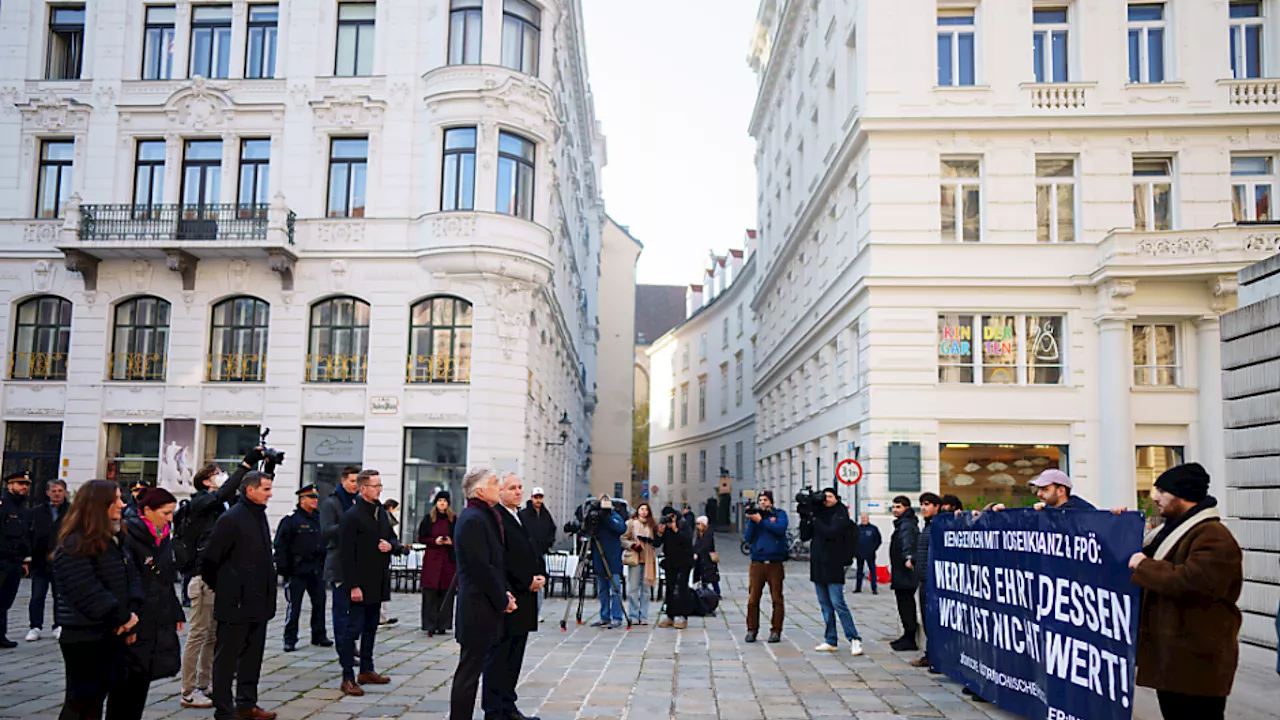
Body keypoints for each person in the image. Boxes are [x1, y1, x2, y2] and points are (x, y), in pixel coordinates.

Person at [1128, 463, 1242, 720]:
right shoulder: (1173, 531)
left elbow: (1193, 582)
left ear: (1183, 495)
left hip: (1196, 663)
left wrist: (1145, 566)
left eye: (1162, 492)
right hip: (1176, 659)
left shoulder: (1213, 536)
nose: (1154, 497)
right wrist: (1117, 524)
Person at [51, 479, 140, 719]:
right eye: (117, 500)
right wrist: (121, 617)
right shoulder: (74, 544)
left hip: (111, 632)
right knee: (82, 700)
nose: (123, 504)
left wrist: (131, 613)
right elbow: (86, 592)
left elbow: (129, 578)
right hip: (84, 634)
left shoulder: (116, 539)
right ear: (99, 505)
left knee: (98, 698)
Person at [178, 456, 253, 710]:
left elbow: (235, 497)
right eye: (218, 473)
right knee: (198, 634)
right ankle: (188, 690)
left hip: (218, 577)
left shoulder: (219, 505)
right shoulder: (201, 501)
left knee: (212, 635)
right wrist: (245, 465)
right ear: (207, 480)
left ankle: (204, 683)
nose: (222, 475)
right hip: (201, 577)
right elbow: (223, 494)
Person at [201, 471, 278, 720]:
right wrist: (227, 588)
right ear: (250, 490)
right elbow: (210, 560)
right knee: (227, 659)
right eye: (265, 489)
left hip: (259, 601)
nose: (270, 494)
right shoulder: (231, 519)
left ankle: (247, 703)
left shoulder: (259, 515)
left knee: (252, 658)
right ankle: (224, 709)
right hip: (235, 603)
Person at [449, 466, 517, 720]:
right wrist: (502, 600)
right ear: (479, 490)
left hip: (486, 605)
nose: (499, 487)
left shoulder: (485, 516)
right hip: (477, 607)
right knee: (468, 672)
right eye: (494, 483)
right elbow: (481, 568)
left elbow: (495, 564)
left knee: (474, 669)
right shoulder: (472, 519)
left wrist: (505, 594)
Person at [113, 488, 185, 719]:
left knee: (144, 674)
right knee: (126, 680)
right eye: (165, 513)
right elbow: (127, 581)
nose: (170, 518)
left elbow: (165, 577)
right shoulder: (130, 535)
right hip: (136, 614)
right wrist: (128, 619)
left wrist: (175, 611)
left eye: (172, 513)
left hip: (157, 613)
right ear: (147, 511)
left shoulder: (163, 536)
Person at [336, 469, 407, 696]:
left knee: (371, 628)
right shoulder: (352, 516)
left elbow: (392, 539)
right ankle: (347, 676)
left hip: (378, 580)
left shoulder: (381, 513)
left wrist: (391, 546)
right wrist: (353, 585)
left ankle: (366, 669)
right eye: (375, 486)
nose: (380, 489)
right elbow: (346, 554)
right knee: (353, 630)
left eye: (380, 485)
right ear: (363, 488)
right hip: (360, 582)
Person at [487, 473, 544, 720]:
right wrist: (525, 580)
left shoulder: (518, 516)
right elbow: (503, 559)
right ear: (500, 491)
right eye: (512, 488)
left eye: (520, 487)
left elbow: (531, 548)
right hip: (511, 596)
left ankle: (508, 705)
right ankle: (495, 709)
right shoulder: (497, 518)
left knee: (515, 656)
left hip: (526, 596)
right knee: (500, 656)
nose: (518, 492)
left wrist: (540, 574)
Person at [803, 489, 863, 656]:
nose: (826, 499)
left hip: (834, 563)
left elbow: (831, 532)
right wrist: (806, 517)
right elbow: (804, 535)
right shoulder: (818, 513)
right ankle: (830, 639)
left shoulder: (841, 513)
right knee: (825, 605)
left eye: (829, 496)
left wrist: (815, 519)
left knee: (838, 603)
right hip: (818, 565)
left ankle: (854, 638)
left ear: (837, 498)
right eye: (824, 496)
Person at [273, 483, 330, 653]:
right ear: (302, 499)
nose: (314, 501)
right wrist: (283, 569)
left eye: (315, 498)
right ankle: (290, 638)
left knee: (320, 603)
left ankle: (319, 635)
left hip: (316, 569)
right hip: (297, 569)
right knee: (294, 606)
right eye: (311, 498)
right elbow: (280, 545)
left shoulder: (319, 518)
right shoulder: (291, 520)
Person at [320, 466, 360, 662]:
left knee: (356, 613)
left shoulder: (358, 501)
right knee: (341, 611)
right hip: (338, 563)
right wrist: (348, 525)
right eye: (352, 481)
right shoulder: (331, 503)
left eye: (358, 482)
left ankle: (351, 644)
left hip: (357, 562)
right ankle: (343, 649)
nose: (355, 485)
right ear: (343, 480)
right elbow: (326, 530)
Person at [743, 490, 789, 643]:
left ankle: (776, 630)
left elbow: (780, 530)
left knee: (777, 598)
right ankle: (751, 630)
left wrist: (762, 521)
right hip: (757, 562)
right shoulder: (756, 517)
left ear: (771, 501)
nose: (763, 502)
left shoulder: (779, 514)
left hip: (774, 563)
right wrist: (752, 520)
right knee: (753, 599)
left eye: (765, 500)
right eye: (760, 500)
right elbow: (748, 537)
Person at [27, 478, 69, 641]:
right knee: (37, 596)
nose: (57, 494)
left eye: (59, 491)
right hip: (40, 561)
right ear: (47, 493)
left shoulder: (71, 511)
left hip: (62, 561)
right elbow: (30, 534)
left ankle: (58, 625)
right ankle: (35, 626)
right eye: (53, 491)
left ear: (65, 492)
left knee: (60, 595)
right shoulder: (37, 512)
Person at [418, 491, 457, 636]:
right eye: (439, 500)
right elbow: (421, 537)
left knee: (446, 593)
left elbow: (459, 538)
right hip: (432, 560)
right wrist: (434, 541)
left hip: (447, 561)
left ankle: (443, 624)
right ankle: (429, 624)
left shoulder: (453, 520)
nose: (442, 503)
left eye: (445, 501)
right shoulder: (429, 519)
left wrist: (450, 541)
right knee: (430, 593)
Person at [909, 492, 940, 668]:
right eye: (922, 504)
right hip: (923, 579)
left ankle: (933, 656)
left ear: (937, 507)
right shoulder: (927, 526)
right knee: (927, 619)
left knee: (932, 619)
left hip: (932, 581)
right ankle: (930, 655)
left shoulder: (938, 526)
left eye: (927, 504)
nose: (923, 508)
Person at [588, 495, 627, 629]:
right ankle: (604, 616)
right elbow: (587, 529)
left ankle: (617, 617)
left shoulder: (614, 515)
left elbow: (621, 528)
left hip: (613, 559)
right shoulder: (596, 517)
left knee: (615, 590)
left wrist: (608, 516)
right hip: (599, 557)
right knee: (602, 591)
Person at [888, 495, 920, 652]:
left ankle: (910, 637)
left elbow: (907, 542)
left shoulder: (906, 524)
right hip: (901, 571)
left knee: (906, 604)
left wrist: (908, 557)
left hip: (905, 572)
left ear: (906, 508)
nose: (895, 510)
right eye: (893, 507)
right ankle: (907, 635)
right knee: (904, 603)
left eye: (898, 507)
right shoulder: (904, 523)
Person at [518, 487, 556, 618]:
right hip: (527, 553)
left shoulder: (546, 515)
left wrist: (548, 543)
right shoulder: (524, 514)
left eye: (540, 497)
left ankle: (537, 612)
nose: (538, 500)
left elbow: (552, 529)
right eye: (536, 497)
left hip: (541, 553)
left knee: (540, 582)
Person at [655, 506, 693, 629]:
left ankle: (683, 616)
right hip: (670, 560)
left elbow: (687, 540)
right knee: (669, 588)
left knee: (682, 588)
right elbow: (656, 543)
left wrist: (675, 529)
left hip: (684, 560)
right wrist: (659, 533)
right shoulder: (664, 526)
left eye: (671, 516)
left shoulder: (683, 524)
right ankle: (670, 616)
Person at [621, 503, 657, 625]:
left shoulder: (652, 524)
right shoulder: (631, 523)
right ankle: (633, 614)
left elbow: (657, 541)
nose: (644, 512)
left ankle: (644, 615)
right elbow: (623, 538)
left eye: (646, 509)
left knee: (646, 589)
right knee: (633, 588)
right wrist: (632, 545)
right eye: (641, 509)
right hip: (635, 557)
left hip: (648, 557)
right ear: (637, 510)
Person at [853, 513, 881, 595]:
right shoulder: (857, 529)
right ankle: (858, 588)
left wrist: (873, 549)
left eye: (865, 518)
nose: (863, 520)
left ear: (868, 519)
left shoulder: (873, 529)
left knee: (872, 571)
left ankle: (874, 588)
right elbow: (853, 541)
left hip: (870, 554)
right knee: (859, 571)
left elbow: (878, 540)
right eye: (862, 518)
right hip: (859, 554)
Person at [693, 515, 720, 597]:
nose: (697, 526)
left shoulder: (708, 533)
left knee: (712, 576)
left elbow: (706, 545)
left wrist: (697, 552)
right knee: (702, 575)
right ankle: (704, 591)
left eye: (699, 524)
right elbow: (697, 544)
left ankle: (717, 592)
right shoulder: (699, 534)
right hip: (701, 558)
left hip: (708, 558)